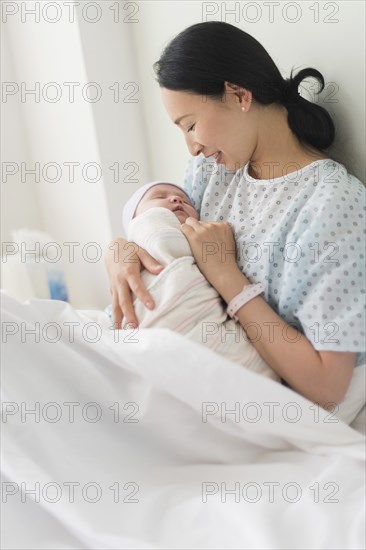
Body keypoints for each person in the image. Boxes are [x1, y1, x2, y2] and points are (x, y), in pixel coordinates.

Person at [104, 21, 365, 409]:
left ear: (239, 95)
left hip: (248, 404)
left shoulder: (332, 206)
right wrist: (122, 250)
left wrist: (227, 276)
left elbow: (327, 386)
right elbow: (168, 244)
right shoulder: (214, 171)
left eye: (190, 125)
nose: (192, 148)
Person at [107, 180, 278, 380]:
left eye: (186, 201)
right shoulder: (142, 237)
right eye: (159, 196)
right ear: (133, 220)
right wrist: (117, 245)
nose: (176, 198)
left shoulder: (206, 241)